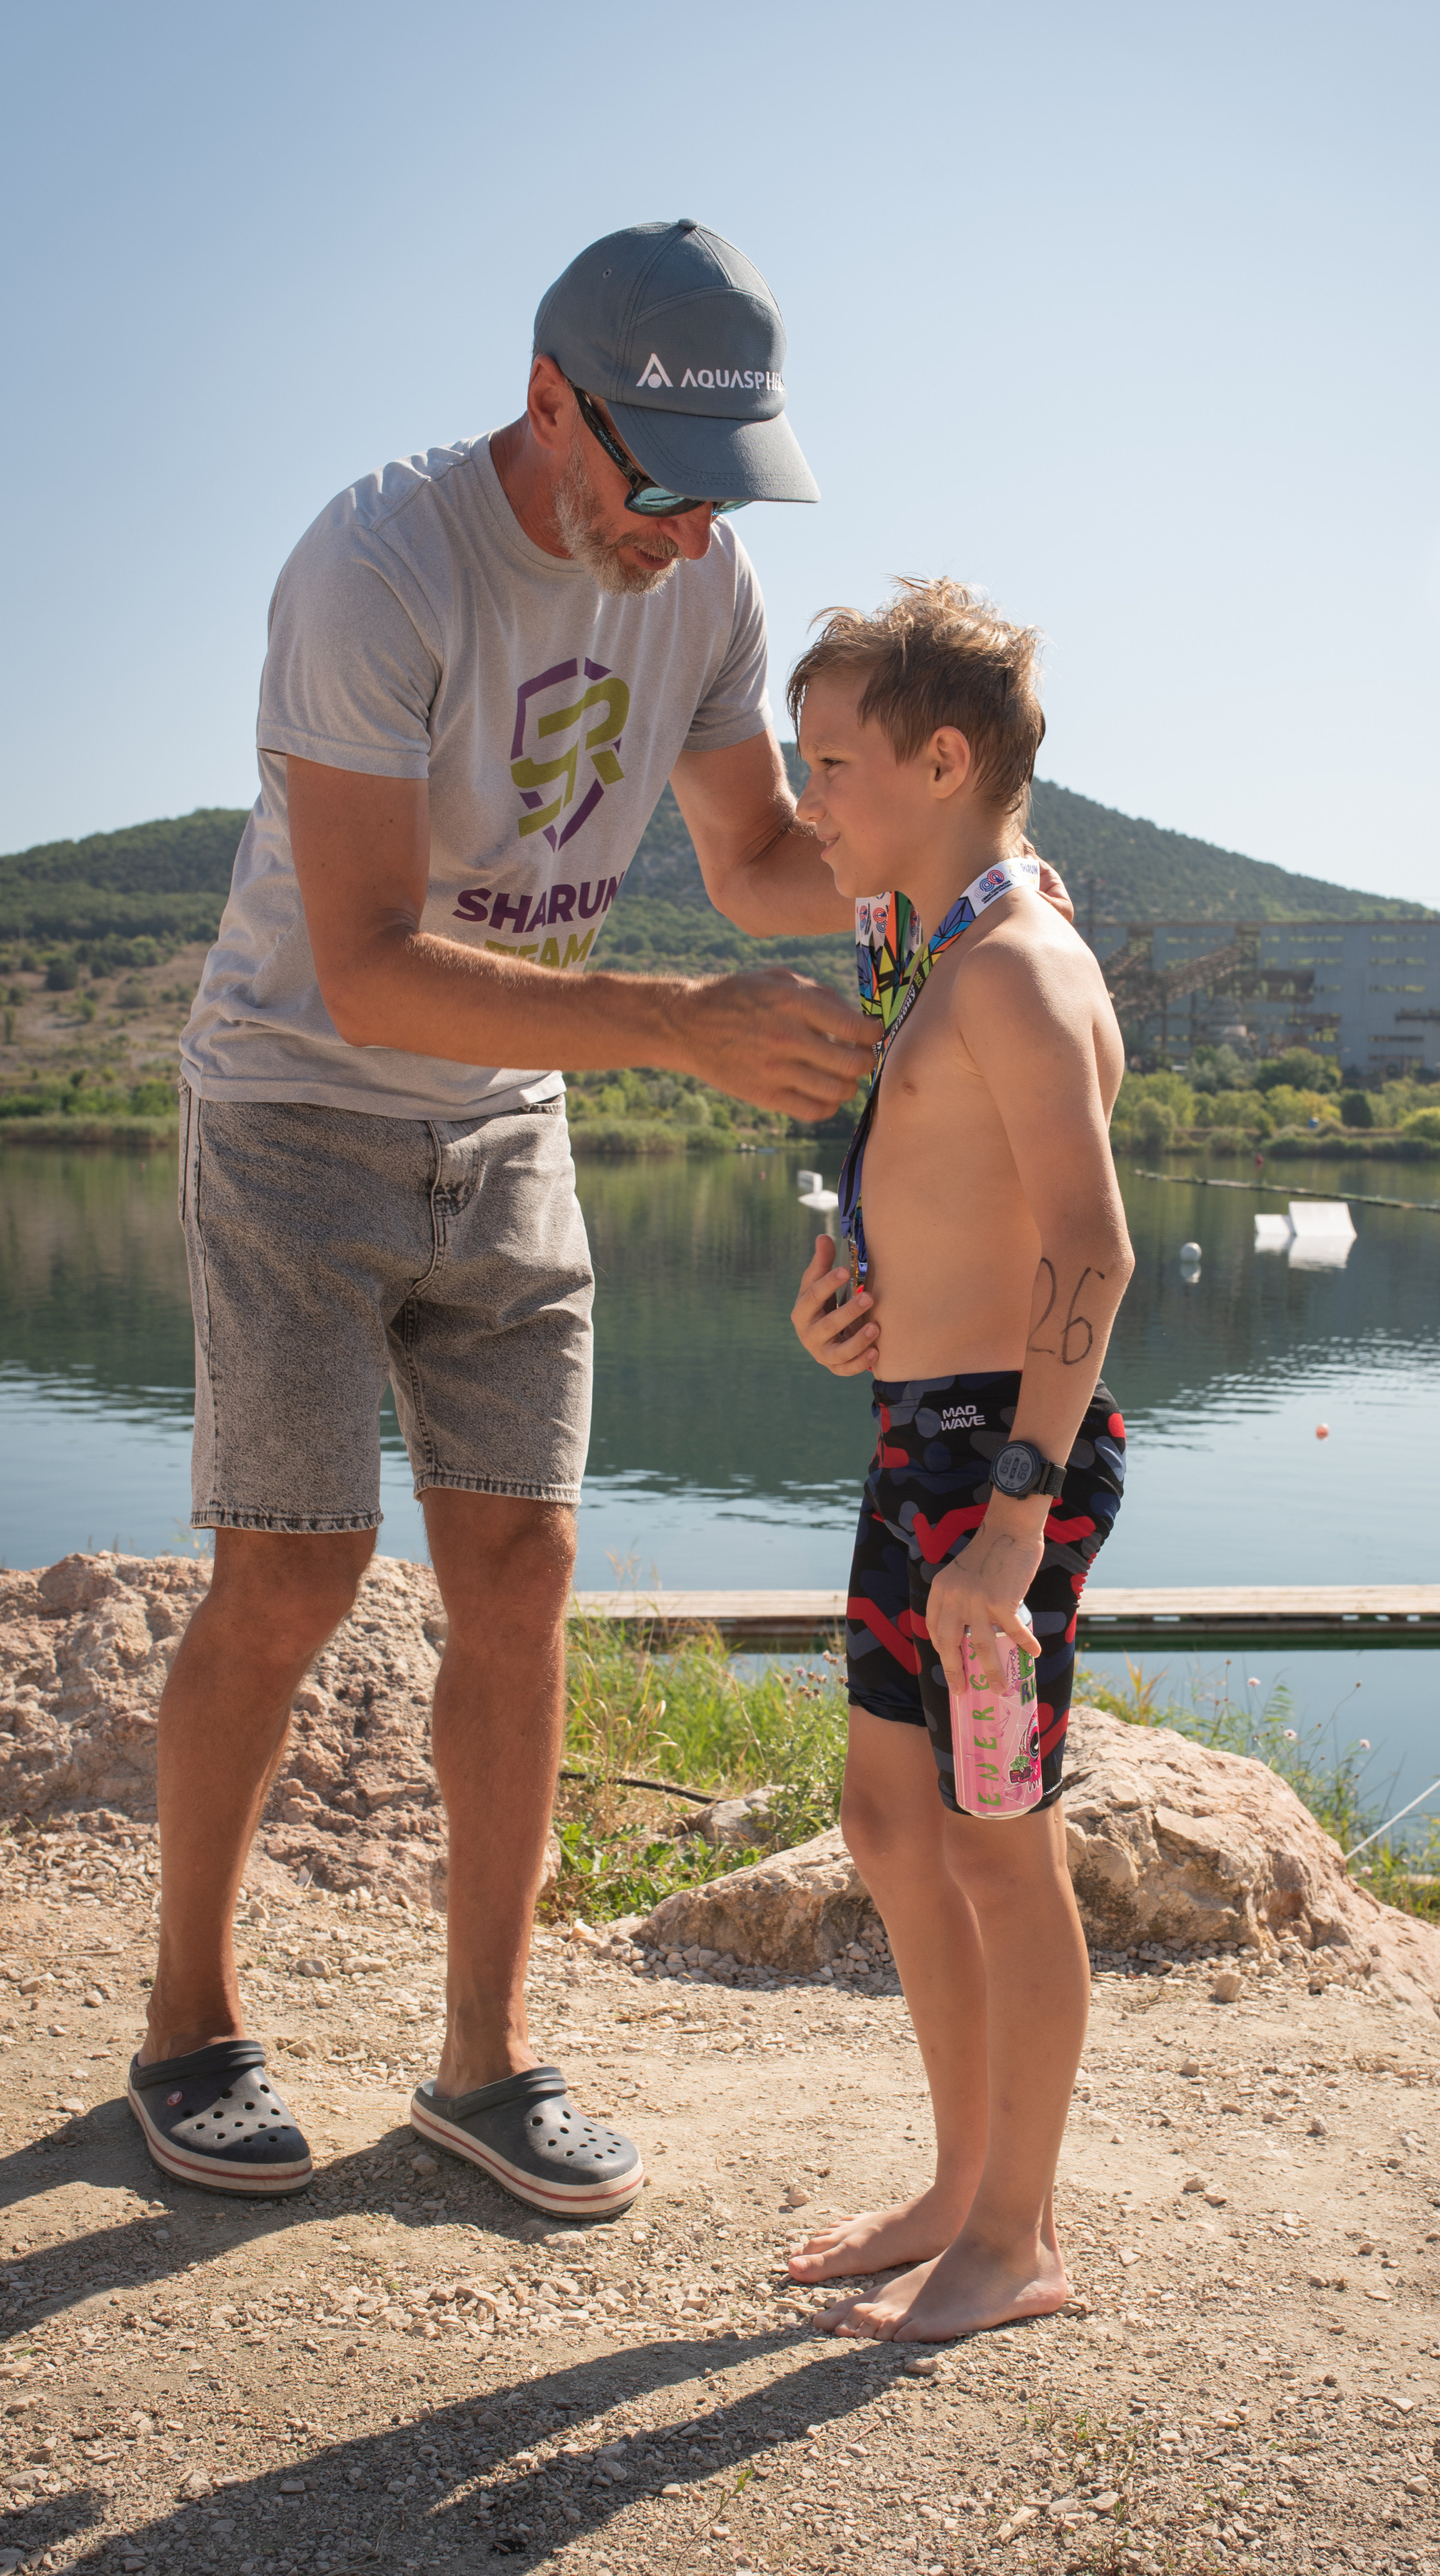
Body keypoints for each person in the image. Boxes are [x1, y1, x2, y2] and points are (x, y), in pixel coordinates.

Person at [130, 219, 884, 2217]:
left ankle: (488, 2064)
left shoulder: (702, 579)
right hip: (298, 1103)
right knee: (287, 1584)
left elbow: (756, 859)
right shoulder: (375, 564)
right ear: (552, 404)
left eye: (732, 486)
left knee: (524, 1580)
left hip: (507, 1123)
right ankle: (188, 2028)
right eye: (661, 480)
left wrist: (950, 875)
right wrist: (673, 1031)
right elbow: (370, 966)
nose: (694, 528)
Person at [785, 580, 1134, 2340]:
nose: (806, 798)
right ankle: (953, 2184)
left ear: (937, 758)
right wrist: (844, 1307)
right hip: (915, 1436)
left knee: (999, 1847)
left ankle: (1019, 2235)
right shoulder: (939, 950)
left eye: (830, 761)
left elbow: (1092, 1241)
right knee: (887, 1820)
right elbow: (953, 1209)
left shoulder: (1014, 965)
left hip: (996, 1466)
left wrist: (1010, 1520)